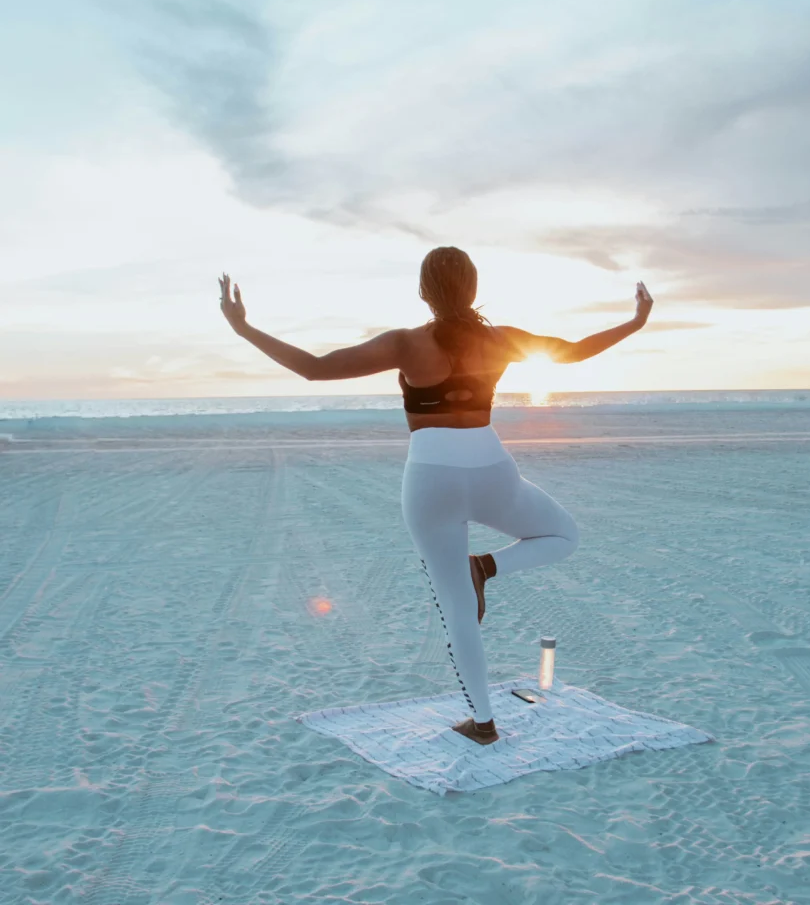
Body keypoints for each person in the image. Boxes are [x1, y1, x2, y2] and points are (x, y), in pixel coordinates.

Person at [219, 247, 653, 745]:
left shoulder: (406, 343)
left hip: (430, 478)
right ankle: (487, 567)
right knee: (564, 535)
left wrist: (243, 328)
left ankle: (484, 722)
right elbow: (574, 350)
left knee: (457, 607)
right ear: (473, 288)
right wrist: (635, 323)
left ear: (424, 292)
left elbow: (315, 368)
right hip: (492, 469)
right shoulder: (502, 339)